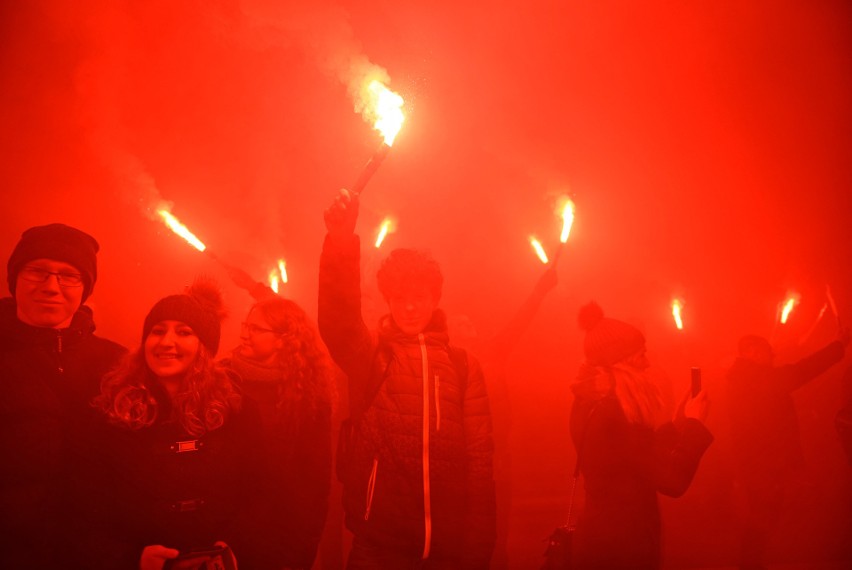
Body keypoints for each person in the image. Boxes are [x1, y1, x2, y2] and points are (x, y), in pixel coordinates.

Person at [319, 188, 497, 569]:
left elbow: (480, 466)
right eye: (399, 298)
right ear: (388, 301)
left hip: (448, 549)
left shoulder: (464, 366)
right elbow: (338, 321)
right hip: (379, 546)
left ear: (435, 299)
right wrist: (340, 241)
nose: (410, 306)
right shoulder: (372, 357)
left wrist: (478, 551)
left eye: (419, 296)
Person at [78, 278, 264, 569]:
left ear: (204, 346)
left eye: (184, 332)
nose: (167, 342)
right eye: (157, 331)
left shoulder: (237, 411)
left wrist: (233, 545)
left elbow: (260, 493)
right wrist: (132, 558)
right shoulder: (114, 412)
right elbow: (87, 507)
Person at [0, 223, 126, 568]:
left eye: (68, 276)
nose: (51, 287)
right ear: (14, 278)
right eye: (37, 271)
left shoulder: (118, 364)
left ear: (85, 288)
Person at [569, 301, 713, 570]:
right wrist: (695, 424)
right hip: (622, 548)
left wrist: (677, 424)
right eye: (640, 355)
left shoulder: (590, 404)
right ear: (619, 364)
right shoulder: (614, 417)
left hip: (602, 538)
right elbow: (672, 481)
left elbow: (637, 458)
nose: (647, 365)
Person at [450, 265, 558, 570]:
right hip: (460, 467)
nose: (468, 325)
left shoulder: (491, 353)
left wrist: (539, 291)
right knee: (465, 537)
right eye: (459, 324)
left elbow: (519, 323)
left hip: (498, 461)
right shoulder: (441, 365)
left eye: (469, 322)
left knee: (498, 534)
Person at [220, 296, 335, 570]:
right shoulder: (224, 380)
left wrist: (302, 548)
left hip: (281, 544)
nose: (243, 334)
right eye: (245, 325)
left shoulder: (308, 397)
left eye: (256, 329)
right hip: (224, 539)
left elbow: (314, 485)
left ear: (284, 339)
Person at [726, 328, 849, 570]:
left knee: (764, 522)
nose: (773, 356)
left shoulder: (745, 378)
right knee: (762, 523)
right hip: (765, 467)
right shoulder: (754, 378)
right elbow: (801, 371)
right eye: (767, 352)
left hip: (762, 465)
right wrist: (838, 346)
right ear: (752, 352)